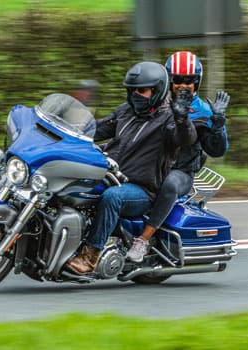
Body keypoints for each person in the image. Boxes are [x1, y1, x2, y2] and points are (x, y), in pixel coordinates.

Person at [66, 61, 198, 274]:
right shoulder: (125, 111)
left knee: (113, 197)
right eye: (132, 90)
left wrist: (182, 118)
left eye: (142, 90)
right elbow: (94, 131)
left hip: (141, 190)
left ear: (157, 91)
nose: (136, 94)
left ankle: (90, 256)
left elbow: (186, 138)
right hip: (110, 175)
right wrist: (67, 131)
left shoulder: (168, 119)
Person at [126, 51, 230, 262]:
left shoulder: (205, 111)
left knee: (170, 184)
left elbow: (217, 150)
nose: (183, 85)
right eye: (178, 79)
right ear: (168, 80)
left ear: (197, 82)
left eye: (189, 80)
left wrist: (217, 124)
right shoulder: (155, 101)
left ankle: (144, 240)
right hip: (150, 164)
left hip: (181, 170)